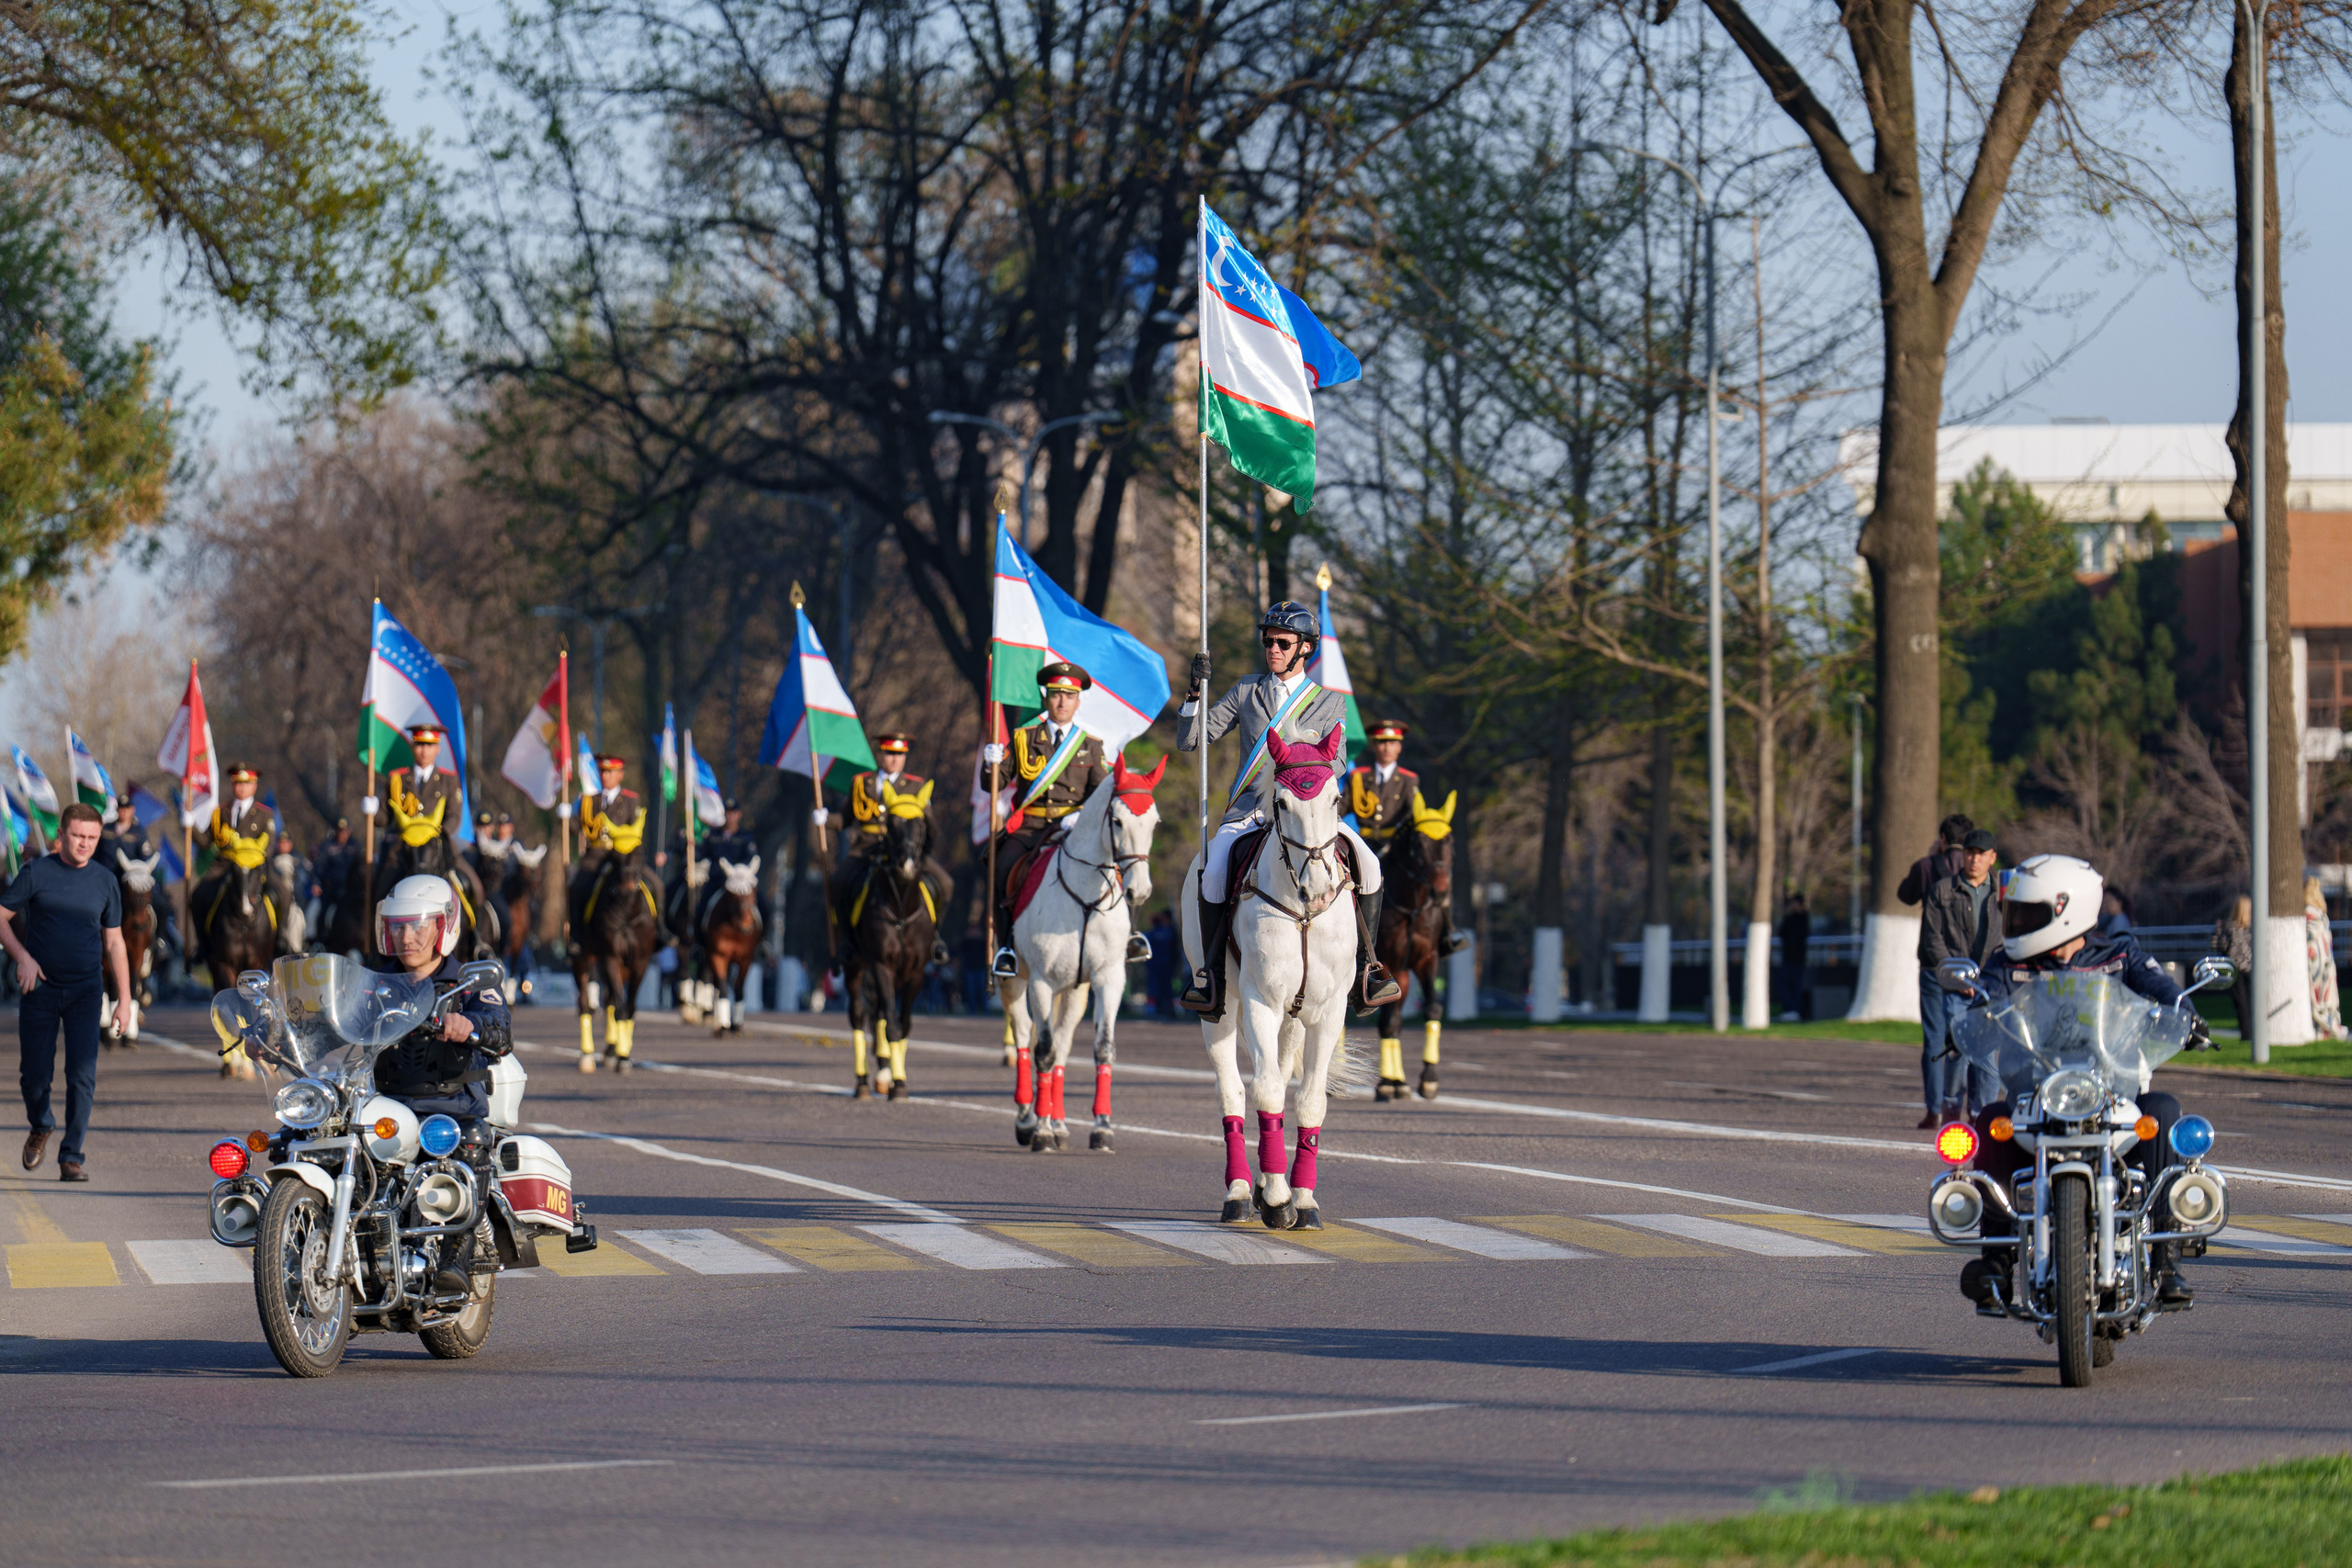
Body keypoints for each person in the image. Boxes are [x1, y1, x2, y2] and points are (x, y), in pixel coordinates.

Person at [1958, 852, 2214, 1309]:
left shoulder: (2118, 954)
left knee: (2163, 1111)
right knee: (1991, 1118)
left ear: (2066, 909)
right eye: (2014, 912)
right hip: (2036, 1094)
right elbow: (1986, 999)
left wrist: (2186, 1016)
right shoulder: (2007, 964)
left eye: (2028, 913)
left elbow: (2160, 988)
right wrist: (1971, 1022)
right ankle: (1997, 1260)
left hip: (2110, 1090)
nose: (2016, 923)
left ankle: (2165, 1257)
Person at [1176, 603, 1400, 1018]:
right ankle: (1210, 976)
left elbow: (1337, 765)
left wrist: (1296, 768)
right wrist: (1193, 695)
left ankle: (1368, 970)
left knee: (1369, 866)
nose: (1272, 649)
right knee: (1212, 874)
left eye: (1282, 642)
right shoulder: (1247, 691)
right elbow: (1192, 739)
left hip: (1307, 816)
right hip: (1251, 813)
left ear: (1305, 649)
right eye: (1268, 641)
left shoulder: (1330, 701)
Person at [366, 874, 513, 1295]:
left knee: (468, 1138)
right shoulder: (375, 984)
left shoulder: (469, 981)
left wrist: (469, 1024)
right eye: (398, 926)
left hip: (449, 1105)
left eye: (416, 926)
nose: (406, 937)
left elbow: (500, 1030)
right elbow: (338, 1023)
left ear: (443, 928)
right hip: (387, 1105)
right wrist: (282, 1036)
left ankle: (456, 1255)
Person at [3, 804, 131, 1181]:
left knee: (82, 1076)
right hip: (40, 987)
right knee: (34, 1076)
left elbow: (115, 943)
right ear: (62, 834)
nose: (85, 844)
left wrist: (124, 999)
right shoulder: (37, 872)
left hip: (86, 991)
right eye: (78, 836)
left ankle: (72, 1155)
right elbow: (1, 918)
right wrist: (22, 957)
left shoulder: (106, 880)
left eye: (92, 838)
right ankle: (41, 1124)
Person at [987, 663, 1113, 978]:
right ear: (1046, 699)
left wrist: (1081, 817)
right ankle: (1007, 948)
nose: (1062, 702)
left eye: (1069, 696)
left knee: (1118, 866)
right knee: (1001, 867)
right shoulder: (1022, 738)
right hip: (1030, 827)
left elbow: (1101, 796)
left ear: (1077, 702)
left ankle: (1120, 938)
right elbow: (998, 783)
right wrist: (991, 766)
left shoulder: (1090, 746)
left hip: (1074, 830)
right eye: (1056, 695)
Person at [1920, 829, 2003, 1117]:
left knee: (1987, 1056)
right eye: (1970, 852)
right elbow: (1933, 939)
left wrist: (1999, 977)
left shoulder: (2005, 893)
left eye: (1981, 854)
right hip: (1956, 987)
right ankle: (1952, 1104)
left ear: (1992, 858)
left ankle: (1984, 1114)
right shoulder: (1942, 890)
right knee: (1958, 1049)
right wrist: (1957, 977)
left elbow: (2012, 938)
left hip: (1992, 987)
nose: (1974, 859)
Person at [1901, 813, 1974, 1128]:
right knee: (1969, 1036)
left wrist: (1930, 859)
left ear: (1942, 838)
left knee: (1933, 1038)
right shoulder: (1979, 870)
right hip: (1967, 965)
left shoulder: (1927, 867)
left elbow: (1904, 895)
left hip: (1933, 964)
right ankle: (1968, 1106)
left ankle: (1933, 1108)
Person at [2306, 874, 2345, 1042]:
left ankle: (2326, 1029)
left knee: (2317, 997)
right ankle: (2329, 1029)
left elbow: (2310, 935)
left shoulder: (2309, 912)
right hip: (2327, 961)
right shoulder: (2322, 912)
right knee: (2327, 996)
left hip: (2315, 961)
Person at [2212, 895, 2255, 1041]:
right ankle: (2252, 1030)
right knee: (2250, 1001)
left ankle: (2246, 1032)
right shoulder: (2252, 928)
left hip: (2235, 968)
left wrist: (2218, 931)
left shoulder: (2229, 927)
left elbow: (2221, 946)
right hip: (2250, 967)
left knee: (2241, 1002)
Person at [1775, 892, 1811, 1021]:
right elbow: (1782, 933)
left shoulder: (1803, 918)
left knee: (1795, 986)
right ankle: (1791, 1010)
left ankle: (1794, 1011)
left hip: (1798, 959)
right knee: (1783, 984)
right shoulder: (1789, 918)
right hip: (1788, 958)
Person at [1144, 908, 1179, 1018]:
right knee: (1156, 988)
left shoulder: (1167, 932)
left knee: (1164, 989)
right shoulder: (1164, 932)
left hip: (1164, 966)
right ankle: (1156, 1010)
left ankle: (1166, 1010)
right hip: (1158, 967)